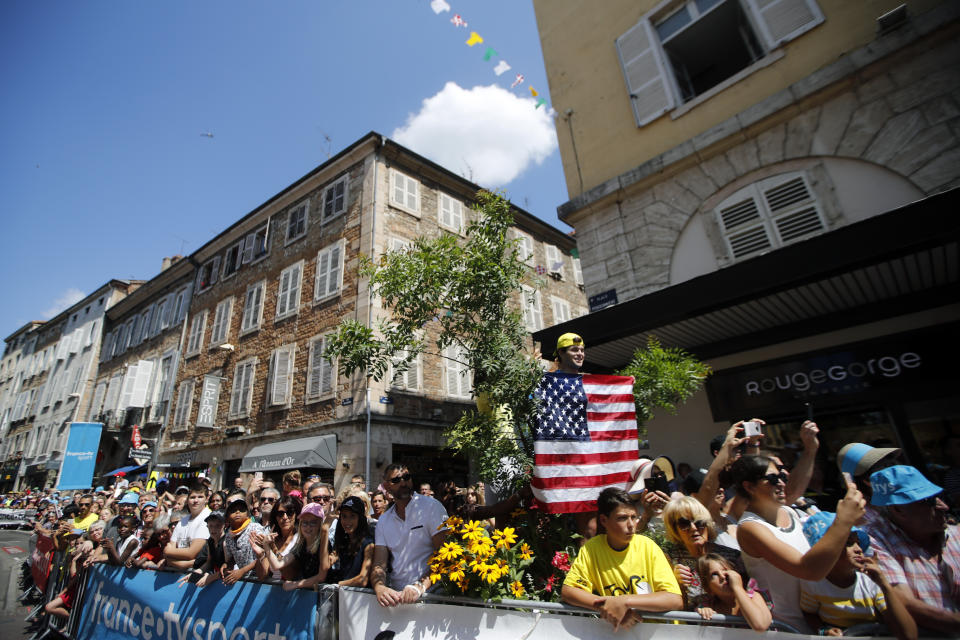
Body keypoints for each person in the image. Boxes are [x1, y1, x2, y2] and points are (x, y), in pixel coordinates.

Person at [733, 455, 865, 632]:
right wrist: (843, 521)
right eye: (772, 478)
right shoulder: (750, 527)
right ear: (749, 486)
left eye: (782, 477)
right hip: (788, 629)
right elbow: (808, 570)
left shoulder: (790, 512)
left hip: (821, 623)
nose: (781, 483)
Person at [562, 487, 683, 631]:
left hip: (662, 633)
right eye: (622, 518)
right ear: (603, 520)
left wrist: (624, 601)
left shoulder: (648, 547)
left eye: (634, 517)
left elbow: (674, 600)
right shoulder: (592, 549)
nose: (631, 525)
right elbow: (569, 591)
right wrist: (608, 606)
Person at [866, 465, 960, 634]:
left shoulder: (955, 533)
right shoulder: (875, 542)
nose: (943, 506)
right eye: (929, 501)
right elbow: (902, 601)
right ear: (898, 510)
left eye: (939, 497)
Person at [799, 511, 917, 639]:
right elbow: (809, 613)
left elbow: (908, 635)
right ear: (826, 552)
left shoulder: (871, 583)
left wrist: (884, 585)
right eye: (849, 543)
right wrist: (824, 630)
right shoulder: (813, 583)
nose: (859, 549)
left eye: (858, 543)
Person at [371, 464, 448, 607]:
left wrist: (420, 586)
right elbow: (379, 564)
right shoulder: (383, 520)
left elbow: (444, 555)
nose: (403, 482)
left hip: (432, 598)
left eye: (406, 477)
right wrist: (379, 587)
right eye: (396, 480)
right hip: (397, 599)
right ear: (386, 486)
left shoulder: (432, 507)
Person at [662, 496, 744, 610]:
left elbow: (746, 597)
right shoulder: (669, 558)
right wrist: (676, 583)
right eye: (684, 524)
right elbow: (671, 604)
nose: (693, 528)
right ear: (674, 529)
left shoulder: (731, 557)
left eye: (699, 522)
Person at [254, 502, 327, 591]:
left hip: (326, 596)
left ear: (320, 525)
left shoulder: (323, 543)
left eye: (313, 523)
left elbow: (322, 577)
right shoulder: (301, 545)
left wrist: (296, 584)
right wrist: (266, 546)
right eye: (304, 522)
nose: (308, 527)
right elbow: (278, 565)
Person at [696, 553, 772, 631]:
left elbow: (760, 625)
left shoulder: (753, 597)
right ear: (708, 588)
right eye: (714, 574)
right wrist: (705, 615)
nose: (722, 576)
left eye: (726, 570)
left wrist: (737, 587)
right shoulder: (708, 605)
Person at [836, 442, 901, 532]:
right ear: (866, 480)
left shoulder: (897, 501)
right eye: (881, 467)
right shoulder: (864, 519)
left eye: (889, 464)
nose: (891, 471)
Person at [323, 495, 375, 586]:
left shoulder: (368, 544)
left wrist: (338, 585)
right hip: (344, 594)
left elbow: (362, 580)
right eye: (344, 516)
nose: (347, 521)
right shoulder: (343, 541)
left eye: (352, 516)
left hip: (361, 597)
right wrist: (324, 529)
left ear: (360, 518)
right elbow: (325, 565)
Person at [164, 482, 210, 571]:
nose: (196, 500)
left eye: (200, 497)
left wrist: (169, 555)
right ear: (187, 500)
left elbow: (191, 553)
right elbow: (171, 548)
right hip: (178, 574)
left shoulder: (208, 518)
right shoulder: (182, 521)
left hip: (198, 574)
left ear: (206, 499)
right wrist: (181, 563)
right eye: (192, 497)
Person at [221, 498, 269, 584]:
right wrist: (227, 565)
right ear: (227, 516)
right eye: (233, 510)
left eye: (242, 510)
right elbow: (232, 557)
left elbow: (264, 554)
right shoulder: (228, 535)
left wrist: (242, 571)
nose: (238, 512)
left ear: (247, 514)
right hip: (245, 579)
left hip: (261, 578)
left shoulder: (255, 528)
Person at [178, 510, 227, 588]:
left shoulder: (226, 542)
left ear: (225, 525)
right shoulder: (210, 541)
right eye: (211, 525)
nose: (213, 529)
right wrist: (196, 573)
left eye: (217, 525)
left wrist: (210, 578)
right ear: (207, 526)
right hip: (217, 578)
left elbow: (229, 568)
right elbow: (209, 562)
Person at [264, 495, 301, 581]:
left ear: (297, 515)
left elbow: (290, 576)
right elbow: (262, 576)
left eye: (290, 513)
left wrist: (273, 549)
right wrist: (261, 553)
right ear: (275, 517)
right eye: (280, 514)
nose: (285, 517)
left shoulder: (299, 539)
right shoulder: (270, 538)